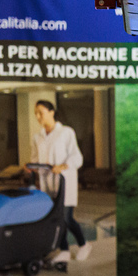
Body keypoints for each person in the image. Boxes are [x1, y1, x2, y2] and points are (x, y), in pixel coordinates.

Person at [31, 99, 87, 263]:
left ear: (51, 112)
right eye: (36, 113)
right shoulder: (37, 137)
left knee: (66, 218)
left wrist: (63, 166)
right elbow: (35, 158)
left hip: (65, 181)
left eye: (41, 113)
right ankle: (64, 250)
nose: (38, 116)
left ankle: (84, 245)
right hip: (47, 184)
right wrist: (32, 167)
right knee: (55, 219)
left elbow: (77, 157)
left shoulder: (66, 132)